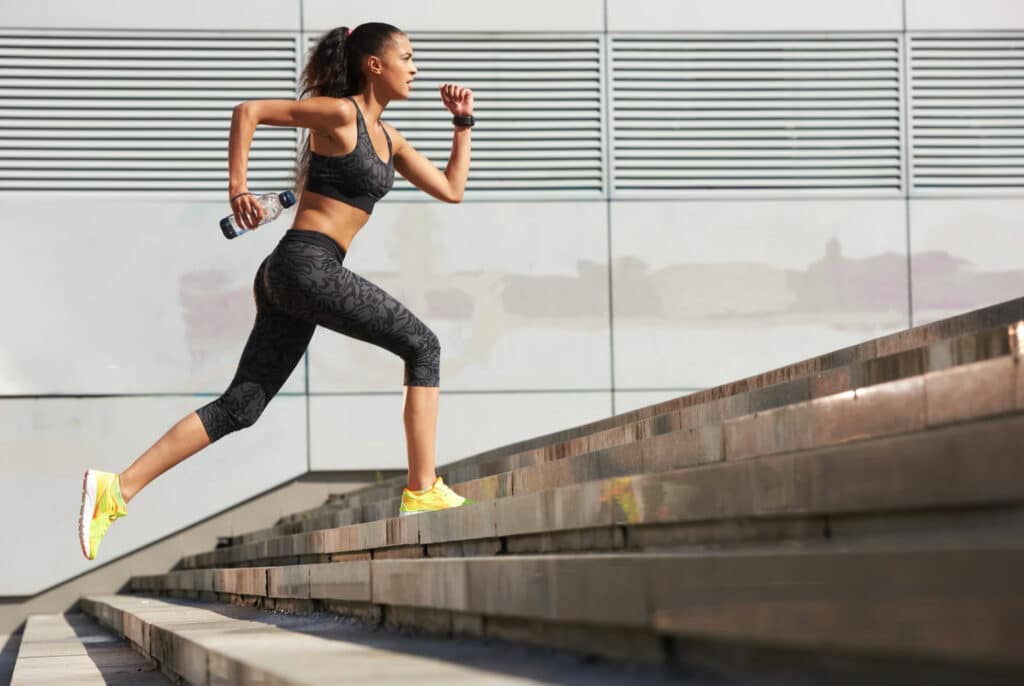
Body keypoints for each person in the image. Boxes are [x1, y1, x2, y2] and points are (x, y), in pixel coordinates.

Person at [79, 22, 476, 561]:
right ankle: (423, 487)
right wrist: (238, 187)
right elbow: (249, 111)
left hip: (292, 273)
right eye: (406, 56)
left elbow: (451, 190)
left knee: (241, 406)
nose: (416, 67)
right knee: (423, 345)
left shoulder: (393, 140)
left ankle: (117, 489)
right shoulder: (339, 116)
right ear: (374, 65)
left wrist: (462, 123)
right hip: (307, 265)